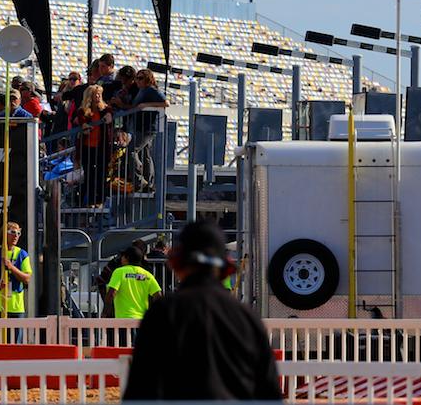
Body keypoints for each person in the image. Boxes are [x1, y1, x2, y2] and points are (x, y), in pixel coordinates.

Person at [123, 220, 282, 401]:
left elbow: (140, 391)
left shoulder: (163, 312)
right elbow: (269, 394)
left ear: (177, 264)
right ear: (225, 267)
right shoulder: (246, 317)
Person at [73, 85, 112, 206]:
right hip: (87, 146)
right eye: (95, 94)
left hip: (102, 146)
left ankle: (100, 200)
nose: (98, 96)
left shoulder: (106, 109)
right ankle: (87, 200)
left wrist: (108, 116)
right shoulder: (82, 110)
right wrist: (84, 126)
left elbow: (110, 117)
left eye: (99, 94)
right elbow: (81, 121)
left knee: (102, 174)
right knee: (89, 174)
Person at [106, 246, 161, 320]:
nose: (121, 258)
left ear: (127, 258)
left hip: (123, 319)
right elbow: (158, 296)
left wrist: (106, 312)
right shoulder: (147, 275)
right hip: (141, 321)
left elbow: (111, 294)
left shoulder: (120, 272)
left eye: (123, 256)